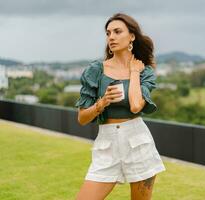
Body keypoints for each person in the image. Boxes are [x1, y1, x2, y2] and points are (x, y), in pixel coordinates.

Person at [75, 13, 166, 200]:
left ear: (132, 36)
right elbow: (82, 118)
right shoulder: (96, 70)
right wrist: (101, 103)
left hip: (138, 142)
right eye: (108, 33)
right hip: (106, 145)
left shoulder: (144, 71)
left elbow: (135, 106)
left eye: (117, 32)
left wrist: (133, 72)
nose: (111, 37)